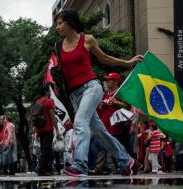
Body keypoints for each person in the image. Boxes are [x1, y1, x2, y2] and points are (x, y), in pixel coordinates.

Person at [54, 9, 143, 176]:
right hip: (74, 95)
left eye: (60, 23)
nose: (57, 28)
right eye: (56, 24)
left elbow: (105, 58)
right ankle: (127, 161)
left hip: (91, 88)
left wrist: (128, 62)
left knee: (80, 122)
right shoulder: (58, 46)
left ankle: (80, 165)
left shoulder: (87, 40)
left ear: (70, 23)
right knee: (100, 132)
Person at [33, 84, 60, 175]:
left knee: (45, 149)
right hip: (48, 128)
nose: (50, 92)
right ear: (46, 92)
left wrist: (36, 130)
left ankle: (48, 168)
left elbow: (35, 118)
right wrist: (57, 130)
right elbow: (52, 117)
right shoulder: (49, 101)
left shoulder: (38, 102)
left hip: (40, 129)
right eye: (49, 90)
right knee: (46, 150)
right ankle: (41, 169)